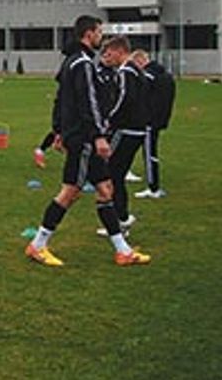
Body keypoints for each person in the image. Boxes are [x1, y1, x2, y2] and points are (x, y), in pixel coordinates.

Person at [24, 15, 151, 268]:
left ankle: (122, 250)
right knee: (69, 192)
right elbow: (87, 103)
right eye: (99, 32)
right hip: (83, 139)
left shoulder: (72, 61)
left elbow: (61, 100)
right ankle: (38, 245)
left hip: (78, 135)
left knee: (106, 190)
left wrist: (59, 130)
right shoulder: (82, 63)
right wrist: (98, 136)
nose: (101, 37)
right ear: (88, 33)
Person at [96, 36, 144, 237]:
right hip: (137, 129)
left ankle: (121, 220)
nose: (108, 57)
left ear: (119, 51)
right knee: (117, 173)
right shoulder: (136, 70)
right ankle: (121, 219)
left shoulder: (125, 72)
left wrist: (108, 121)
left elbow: (124, 99)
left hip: (126, 130)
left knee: (112, 173)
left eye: (110, 53)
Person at [130, 49, 174, 199]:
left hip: (149, 121)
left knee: (149, 154)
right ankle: (151, 184)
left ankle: (153, 188)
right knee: (149, 152)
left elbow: (140, 96)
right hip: (160, 119)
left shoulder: (148, 76)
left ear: (140, 61)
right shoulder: (165, 75)